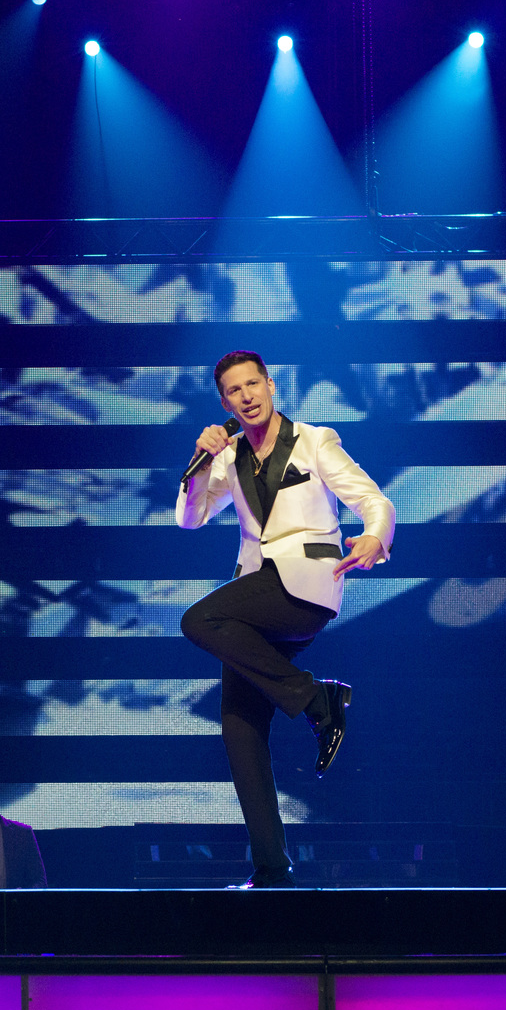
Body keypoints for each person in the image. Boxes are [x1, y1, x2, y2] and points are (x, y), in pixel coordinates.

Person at [175, 350, 396, 888]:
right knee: (240, 729)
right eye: (234, 390)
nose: (246, 396)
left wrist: (374, 536)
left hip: (307, 583)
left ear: (270, 386)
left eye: (253, 384)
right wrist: (200, 460)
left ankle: (316, 699)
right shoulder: (227, 456)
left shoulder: (315, 441)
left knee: (199, 620)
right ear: (224, 403)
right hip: (258, 594)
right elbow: (189, 519)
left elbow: (373, 499)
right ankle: (272, 867)